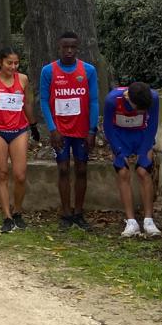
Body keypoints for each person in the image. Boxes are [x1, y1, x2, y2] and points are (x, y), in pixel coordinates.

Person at [39, 31, 99, 232]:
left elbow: (94, 101)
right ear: (59, 48)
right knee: (63, 169)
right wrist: (52, 129)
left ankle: (79, 212)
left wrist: (92, 130)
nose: (69, 51)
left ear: (77, 48)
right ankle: (66, 213)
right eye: (65, 47)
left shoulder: (88, 70)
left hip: (81, 130)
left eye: (73, 47)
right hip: (60, 131)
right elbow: (44, 101)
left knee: (81, 169)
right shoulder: (48, 71)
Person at [0, 47, 40, 233]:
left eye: (16, 63)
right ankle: (6, 216)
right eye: (9, 63)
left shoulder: (22, 79)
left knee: (20, 174)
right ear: (0, 62)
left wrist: (33, 124)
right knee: (1, 172)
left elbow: (26, 103)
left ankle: (17, 211)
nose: (13, 67)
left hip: (19, 129)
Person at [103, 81, 161, 238]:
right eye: (139, 108)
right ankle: (131, 221)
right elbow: (108, 127)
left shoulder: (153, 98)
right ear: (129, 99)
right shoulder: (112, 100)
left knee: (144, 171)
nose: (141, 111)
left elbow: (153, 125)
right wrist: (118, 151)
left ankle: (149, 221)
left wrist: (144, 151)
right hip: (120, 136)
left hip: (142, 134)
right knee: (123, 172)